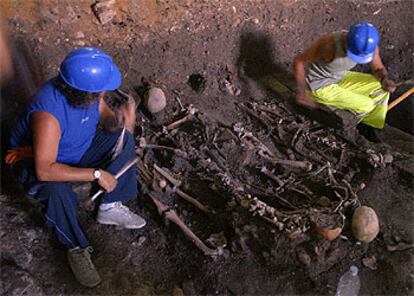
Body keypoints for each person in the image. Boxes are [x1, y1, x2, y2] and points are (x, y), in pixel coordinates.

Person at [6, 47, 146, 288]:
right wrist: (97, 174)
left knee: (124, 138)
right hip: (40, 162)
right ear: (86, 92)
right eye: (101, 89)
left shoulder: (89, 94)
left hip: (75, 149)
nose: (105, 92)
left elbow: (106, 122)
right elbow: (45, 169)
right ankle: (76, 247)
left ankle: (109, 205)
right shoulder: (47, 114)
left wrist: (119, 121)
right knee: (55, 192)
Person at [293, 22, 396, 129]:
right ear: (347, 40)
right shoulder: (329, 45)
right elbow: (299, 61)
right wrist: (301, 91)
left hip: (338, 77)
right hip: (319, 85)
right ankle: (352, 128)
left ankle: (371, 127)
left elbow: (378, 69)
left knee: (381, 88)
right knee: (367, 105)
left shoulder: (369, 46)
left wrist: (384, 80)